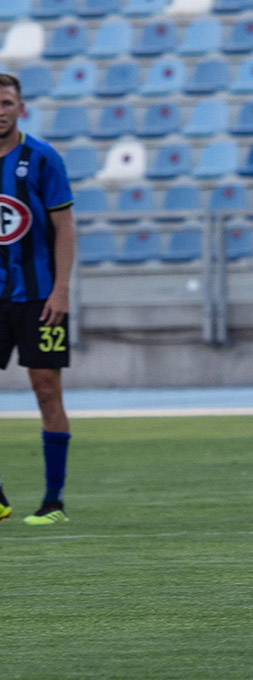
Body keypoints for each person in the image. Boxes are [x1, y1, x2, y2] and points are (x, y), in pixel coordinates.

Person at [0, 73, 76, 526]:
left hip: (39, 297)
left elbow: (65, 227)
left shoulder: (42, 158)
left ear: (21, 108)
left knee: (46, 390)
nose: (0, 111)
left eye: (6, 103)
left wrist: (61, 289)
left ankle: (53, 502)